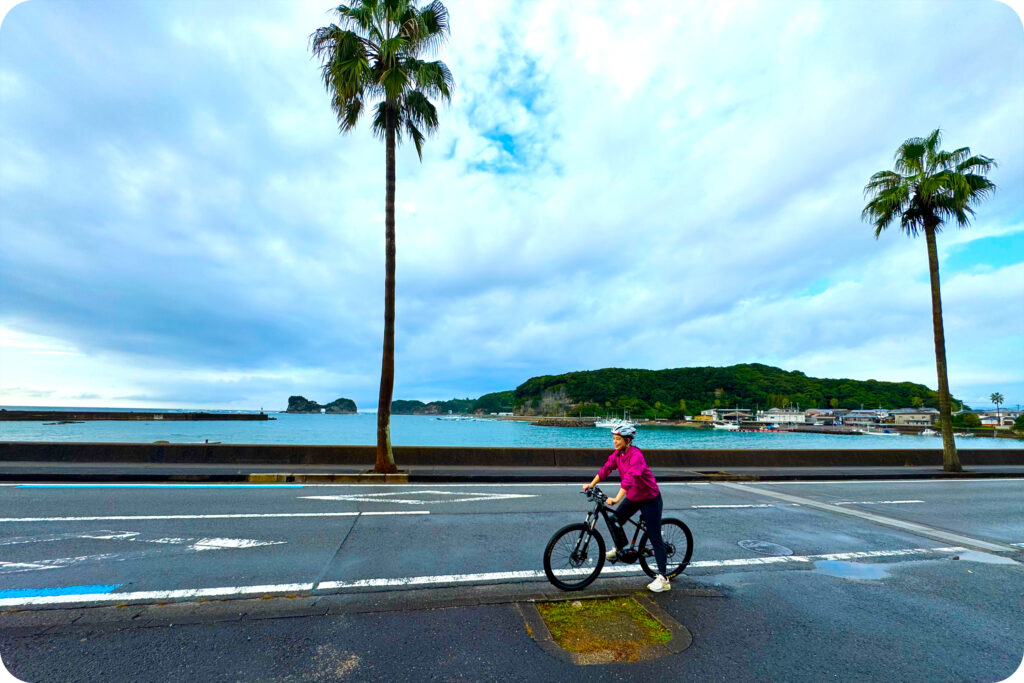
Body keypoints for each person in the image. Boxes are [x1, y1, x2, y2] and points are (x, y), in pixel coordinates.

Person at [582, 424, 670, 593]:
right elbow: (606, 468)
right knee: (615, 520)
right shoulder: (618, 454)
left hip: (650, 499)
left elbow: (630, 478)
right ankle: (621, 549)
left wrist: (616, 498)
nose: (614, 442)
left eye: (618, 439)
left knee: (654, 536)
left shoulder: (636, 456)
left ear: (627, 440)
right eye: (613, 438)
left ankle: (664, 578)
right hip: (634, 497)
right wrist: (591, 484)